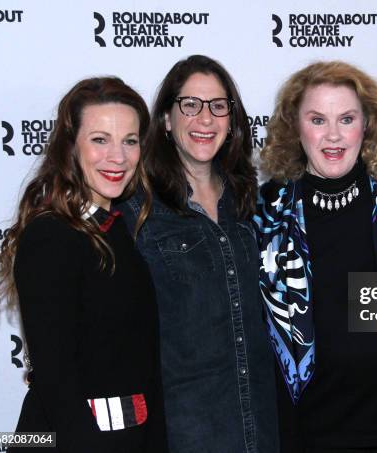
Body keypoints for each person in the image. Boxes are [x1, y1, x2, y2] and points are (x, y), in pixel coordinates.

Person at [254, 60, 377, 452]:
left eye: (346, 118)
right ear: (294, 127)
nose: (333, 135)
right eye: (317, 119)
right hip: (307, 434)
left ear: (366, 124)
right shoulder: (266, 210)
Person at [0, 77, 167, 452]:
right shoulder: (51, 235)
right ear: (71, 148)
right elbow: (58, 382)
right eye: (100, 139)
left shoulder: (117, 230)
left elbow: (139, 367)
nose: (117, 157)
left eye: (130, 141)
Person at [119, 55, 278, 452]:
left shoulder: (250, 202)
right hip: (185, 432)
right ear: (167, 120)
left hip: (261, 428)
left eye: (218, 106)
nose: (205, 119)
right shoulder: (136, 209)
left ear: (232, 119)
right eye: (190, 105)